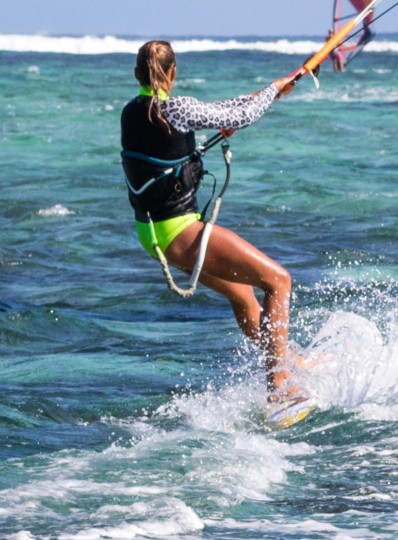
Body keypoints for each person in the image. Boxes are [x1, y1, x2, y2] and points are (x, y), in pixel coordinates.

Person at [120, 40, 314, 425]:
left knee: (244, 299)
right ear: (172, 72)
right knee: (278, 280)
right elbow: (241, 113)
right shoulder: (177, 108)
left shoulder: (130, 112)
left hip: (152, 234)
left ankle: (288, 359)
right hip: (181, 233)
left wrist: (268, 92)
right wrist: (276, 88)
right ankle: (279, 386)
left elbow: (213, 119)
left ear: (137, 74)